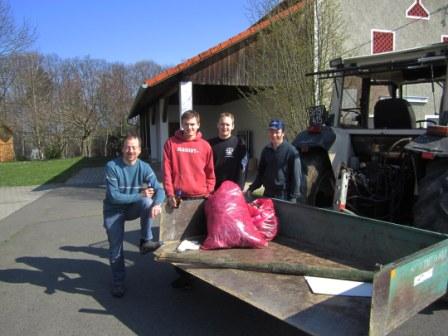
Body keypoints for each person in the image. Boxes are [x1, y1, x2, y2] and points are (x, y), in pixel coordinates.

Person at [103, 132, 165, 298]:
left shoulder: (144, 167)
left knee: (147, 203)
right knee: (116, 249)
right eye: (127, 147)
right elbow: (113, 197)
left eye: (134, 147)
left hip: (131, 208)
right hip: (113, 211)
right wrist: (140, 195)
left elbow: (159, 189)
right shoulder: (112, 166)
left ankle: (145, 240)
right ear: (122, 149)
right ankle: (118, 282)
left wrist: (157, 203)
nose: (130, 150)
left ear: (139, 150)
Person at [163, 110, 215, 288]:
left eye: (193, 124)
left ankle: (200, 274)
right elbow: (167, 172)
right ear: (182, 125)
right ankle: (185, 277)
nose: (189, 128)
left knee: (199, 239)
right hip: (180, 199)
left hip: (201, 198)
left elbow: (210, 173)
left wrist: (208, 192)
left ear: (198, 125)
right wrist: (170, 194)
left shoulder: (205, 146)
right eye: (186, 124)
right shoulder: (171, 144)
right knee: (177, 242)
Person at [245, 119, 304, 202]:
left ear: (283, 133)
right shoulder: (266, 150)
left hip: (283, 197)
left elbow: (296, 178)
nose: (274, 134)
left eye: (277, 132)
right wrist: (251, 188)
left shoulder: (291, 151)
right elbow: (261, 175)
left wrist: (293, 199)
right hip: (267, 195)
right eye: (271, 131)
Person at [208, 112, 248, 190]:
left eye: (227, 124)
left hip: (233, 190)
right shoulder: (209, 144)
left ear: (232, 126)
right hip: (214, 189)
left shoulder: (239, 143)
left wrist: (240, 188)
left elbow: (243, 167)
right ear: (217, 125)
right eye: (222, 124)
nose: (224, 127)